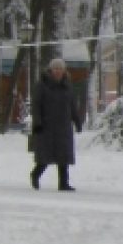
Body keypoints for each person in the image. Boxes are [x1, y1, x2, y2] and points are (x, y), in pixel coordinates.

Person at [29, 57, 83, 192]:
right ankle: (35, 175)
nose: (58, 71)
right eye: (55, 69)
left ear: (64, 71)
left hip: (64, 126)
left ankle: (63, 183)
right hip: (47, 125)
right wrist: (38, 122)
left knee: (63, 156)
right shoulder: (41, 85)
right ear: (50, 70)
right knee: (45, 156)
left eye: (60, 69)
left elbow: (72, 105)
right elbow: (36, 105)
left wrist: (77, 120)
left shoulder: (67, 85)